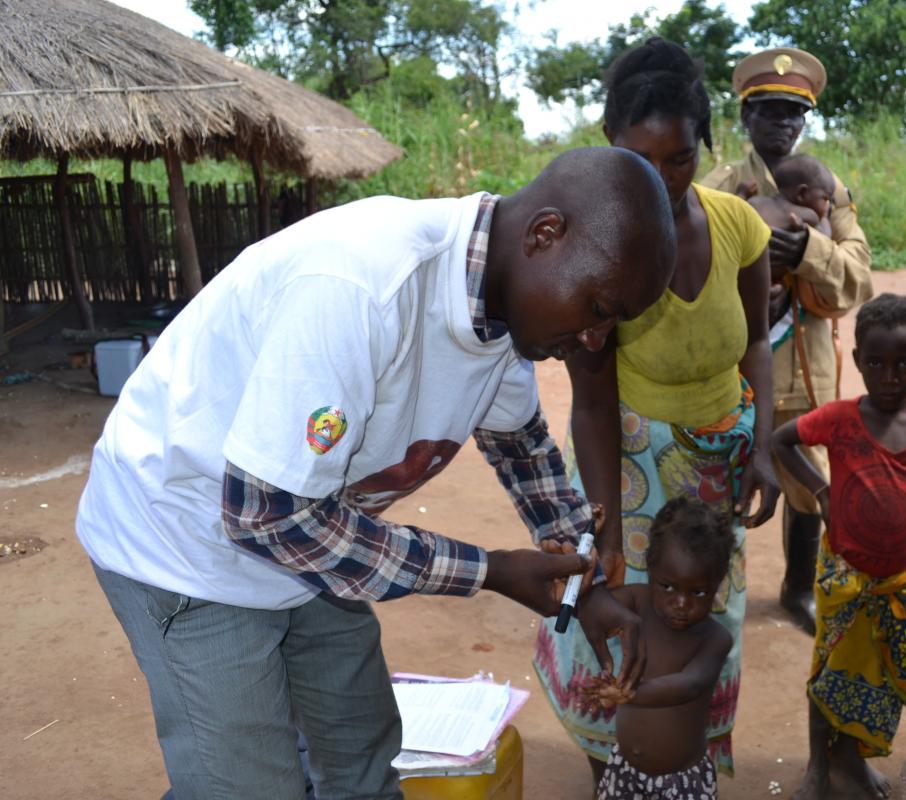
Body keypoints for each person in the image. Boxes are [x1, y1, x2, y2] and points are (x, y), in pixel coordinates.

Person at [74, 147, 676, 800]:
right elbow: (267, 516)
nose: (597, 340)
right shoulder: (362, 283)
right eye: (599, 306)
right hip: (185, 543)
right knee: (250, 787)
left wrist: (583, 579)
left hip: (314, 535)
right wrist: (492, 571)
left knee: (363, 754)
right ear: (544, 234)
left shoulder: (513, 319)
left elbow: (523, 452)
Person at [534, 38, 779, 782]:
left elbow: (758, 344)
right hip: (625, 463)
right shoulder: (596, 244)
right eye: (639, 160)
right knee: (613, 613)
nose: (660, 180)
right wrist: (604, 525)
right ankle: (611, 767)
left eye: (678, 159)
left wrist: (763, 442)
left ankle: (680, 767)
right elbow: (594, 402)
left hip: (716, 468)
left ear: (704, 147)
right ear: (610, 145)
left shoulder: (739, 226)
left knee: (697, 617)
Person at [700, 47, 873, 635]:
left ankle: (798, 588)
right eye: (770, 112)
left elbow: (859, 273)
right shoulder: (721, 185)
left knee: (806, 479)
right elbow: (691, 266)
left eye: (794, 115)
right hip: (732, 368)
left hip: (805, 365)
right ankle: (711, 586)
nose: (784, 125)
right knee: (721, 474)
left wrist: (806, 253)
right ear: (746, 117)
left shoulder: (828, 184)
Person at [770, 294, 906, 800]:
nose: (889, 375)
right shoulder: (840, 419)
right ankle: (817, 767)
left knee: (874, 677)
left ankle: (849, 760)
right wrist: (823, 492)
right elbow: (781, 440)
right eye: (875, 362)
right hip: (843, 577)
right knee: (829, 671)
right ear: (856, 361)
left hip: (898, 583)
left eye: (904, 364)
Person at [582, 496, 734, 800]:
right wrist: (594, 546)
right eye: (668, 586)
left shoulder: (714, 639)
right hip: (623, 770)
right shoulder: (636, 604)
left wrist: (630, 694)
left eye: (699, 592)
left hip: (682, 783)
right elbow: (591, 607)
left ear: (717, 584)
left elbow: (689, 685)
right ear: (650, 568)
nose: (681, 603)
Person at [747, 153, 835, 238]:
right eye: (825, 199)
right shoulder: (808, 215)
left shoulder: (755, 202)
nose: (826, 205)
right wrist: (825, 217)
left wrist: (742, 193)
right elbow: (825, 237)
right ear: (802, 194)